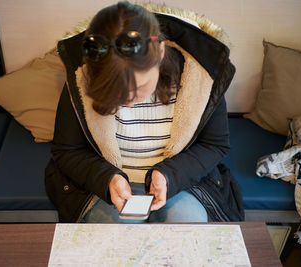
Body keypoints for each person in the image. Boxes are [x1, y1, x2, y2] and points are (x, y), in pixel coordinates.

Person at [45, 1, 244, 223]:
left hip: (181, 181)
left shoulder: (201, 77)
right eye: (113, 92)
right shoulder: (82, 77)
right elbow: (67, 150)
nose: (127, 104)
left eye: (138, 89)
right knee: (114, 242)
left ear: (159, 52)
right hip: (105, 184)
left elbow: (214, 145)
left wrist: (169, 175)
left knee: (186, 230)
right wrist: (107, 179)